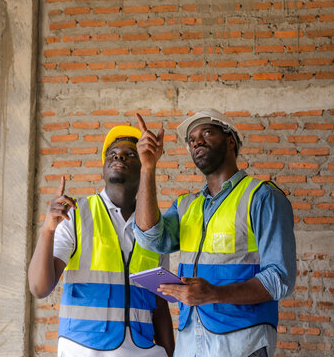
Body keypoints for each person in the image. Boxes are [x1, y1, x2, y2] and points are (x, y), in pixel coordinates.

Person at [133, 109, 296, 357]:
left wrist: (214, 294)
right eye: (192, 139)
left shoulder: (262, 197)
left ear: (230, 140)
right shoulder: (187, 205)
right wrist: (147, 168)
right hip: (190, 338)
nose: (197, 141)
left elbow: (280, 278)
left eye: (207, 132)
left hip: (242, 338)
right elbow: (150, 237)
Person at [28, 125, 175, 357]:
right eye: (112, 154)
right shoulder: (76, 215)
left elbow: (158, 303)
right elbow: (39, 287)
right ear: (103, 170)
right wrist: (48, 229)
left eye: (131, 153)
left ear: (145, 166)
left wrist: (169, 352)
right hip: (83, 350)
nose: (119, 156)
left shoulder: (154, 228)